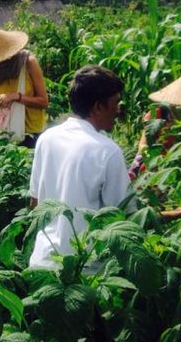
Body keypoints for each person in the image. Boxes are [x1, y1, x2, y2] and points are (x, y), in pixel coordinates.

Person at [28, 65, 132, 269]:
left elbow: (35, 204)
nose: (118, 109)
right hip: (85, 272)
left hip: (43, 263)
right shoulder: (107, 151)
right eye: (115, 102)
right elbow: (124, 218)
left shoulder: (47, 139)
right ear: (98, 106)